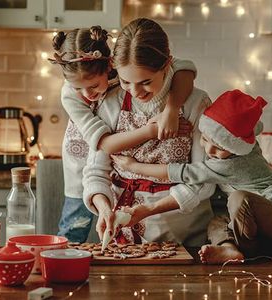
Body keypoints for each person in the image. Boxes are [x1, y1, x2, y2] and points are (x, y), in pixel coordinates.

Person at [113, 89, 272, 263]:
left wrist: (135, 166)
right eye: (205, 139)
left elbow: (183, 173)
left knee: (240, 198)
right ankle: (230, 249)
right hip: (266, 237)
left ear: (235, 147)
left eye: (220, 147)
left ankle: (246, 251)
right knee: (216, 222)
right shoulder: (243, 142)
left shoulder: (234, 163)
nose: (209, 149)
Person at [49, 26, 197, 242]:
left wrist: (172, 109)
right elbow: (105, 144)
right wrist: (152, 130)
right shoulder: (70, 95)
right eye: (77, 88)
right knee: (74, 226)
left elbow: (183, 68)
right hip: (85, 158)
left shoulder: (125, 72)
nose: (86, 94)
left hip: (117, 163)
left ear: (110, 65)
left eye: (92, 85)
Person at [82, 18, 215, 247]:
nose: (135, 92)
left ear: (167, 65)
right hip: (122, 238)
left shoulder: (195, 103)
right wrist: (104, 208)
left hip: (183, 236)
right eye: (125, 81)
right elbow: (96, 171)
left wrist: (150, 209)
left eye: (145, 82)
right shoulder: (111, 101)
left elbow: (203, 179)